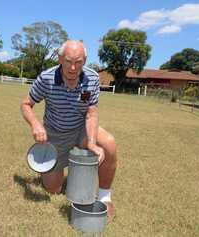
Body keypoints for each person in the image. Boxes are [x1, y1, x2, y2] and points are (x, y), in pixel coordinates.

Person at [20, 40, 117, 220]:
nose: (73, 68)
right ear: (60, 59)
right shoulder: (47, 78)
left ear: (85, 60)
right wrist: (35, 124)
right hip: (55, 135)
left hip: (80, 128)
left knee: (109, 144)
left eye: (78, 62)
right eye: (68, 61)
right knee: (53, 189)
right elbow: (26, 104)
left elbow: (91, 113)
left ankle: (105, 197)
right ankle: (63, 170)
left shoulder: (92, 78)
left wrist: (92, 143)